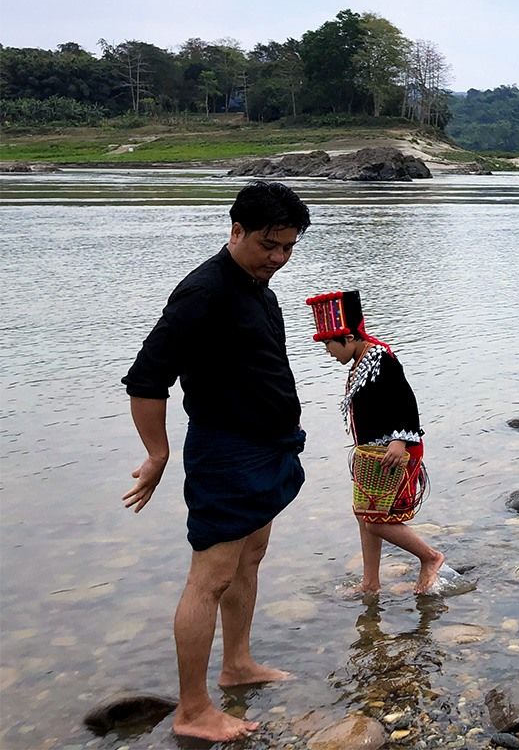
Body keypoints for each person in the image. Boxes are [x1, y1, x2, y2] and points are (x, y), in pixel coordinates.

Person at [121, 180, 311, 743]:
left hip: (267, 447)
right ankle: (194, 709)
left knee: (250, 558)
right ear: (236, 231)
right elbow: (146, 377)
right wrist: (158, 453)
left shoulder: (257, 286)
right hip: (226, 455)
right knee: (209, 577)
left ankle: (238, 665)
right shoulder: (203, 292)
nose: (278, 258)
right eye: (268, 245)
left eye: (288, 248)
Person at [306, 289, 444, 595]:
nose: (328, 351)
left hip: (395, 451)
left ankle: (430, 558)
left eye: (329, 343)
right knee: (364, 515)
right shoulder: (361, 360)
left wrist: (399, 440)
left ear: (349, 337)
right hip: (374, 454)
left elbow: (406, 400)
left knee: (377, 522)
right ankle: (371, 583)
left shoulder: (381, 358)